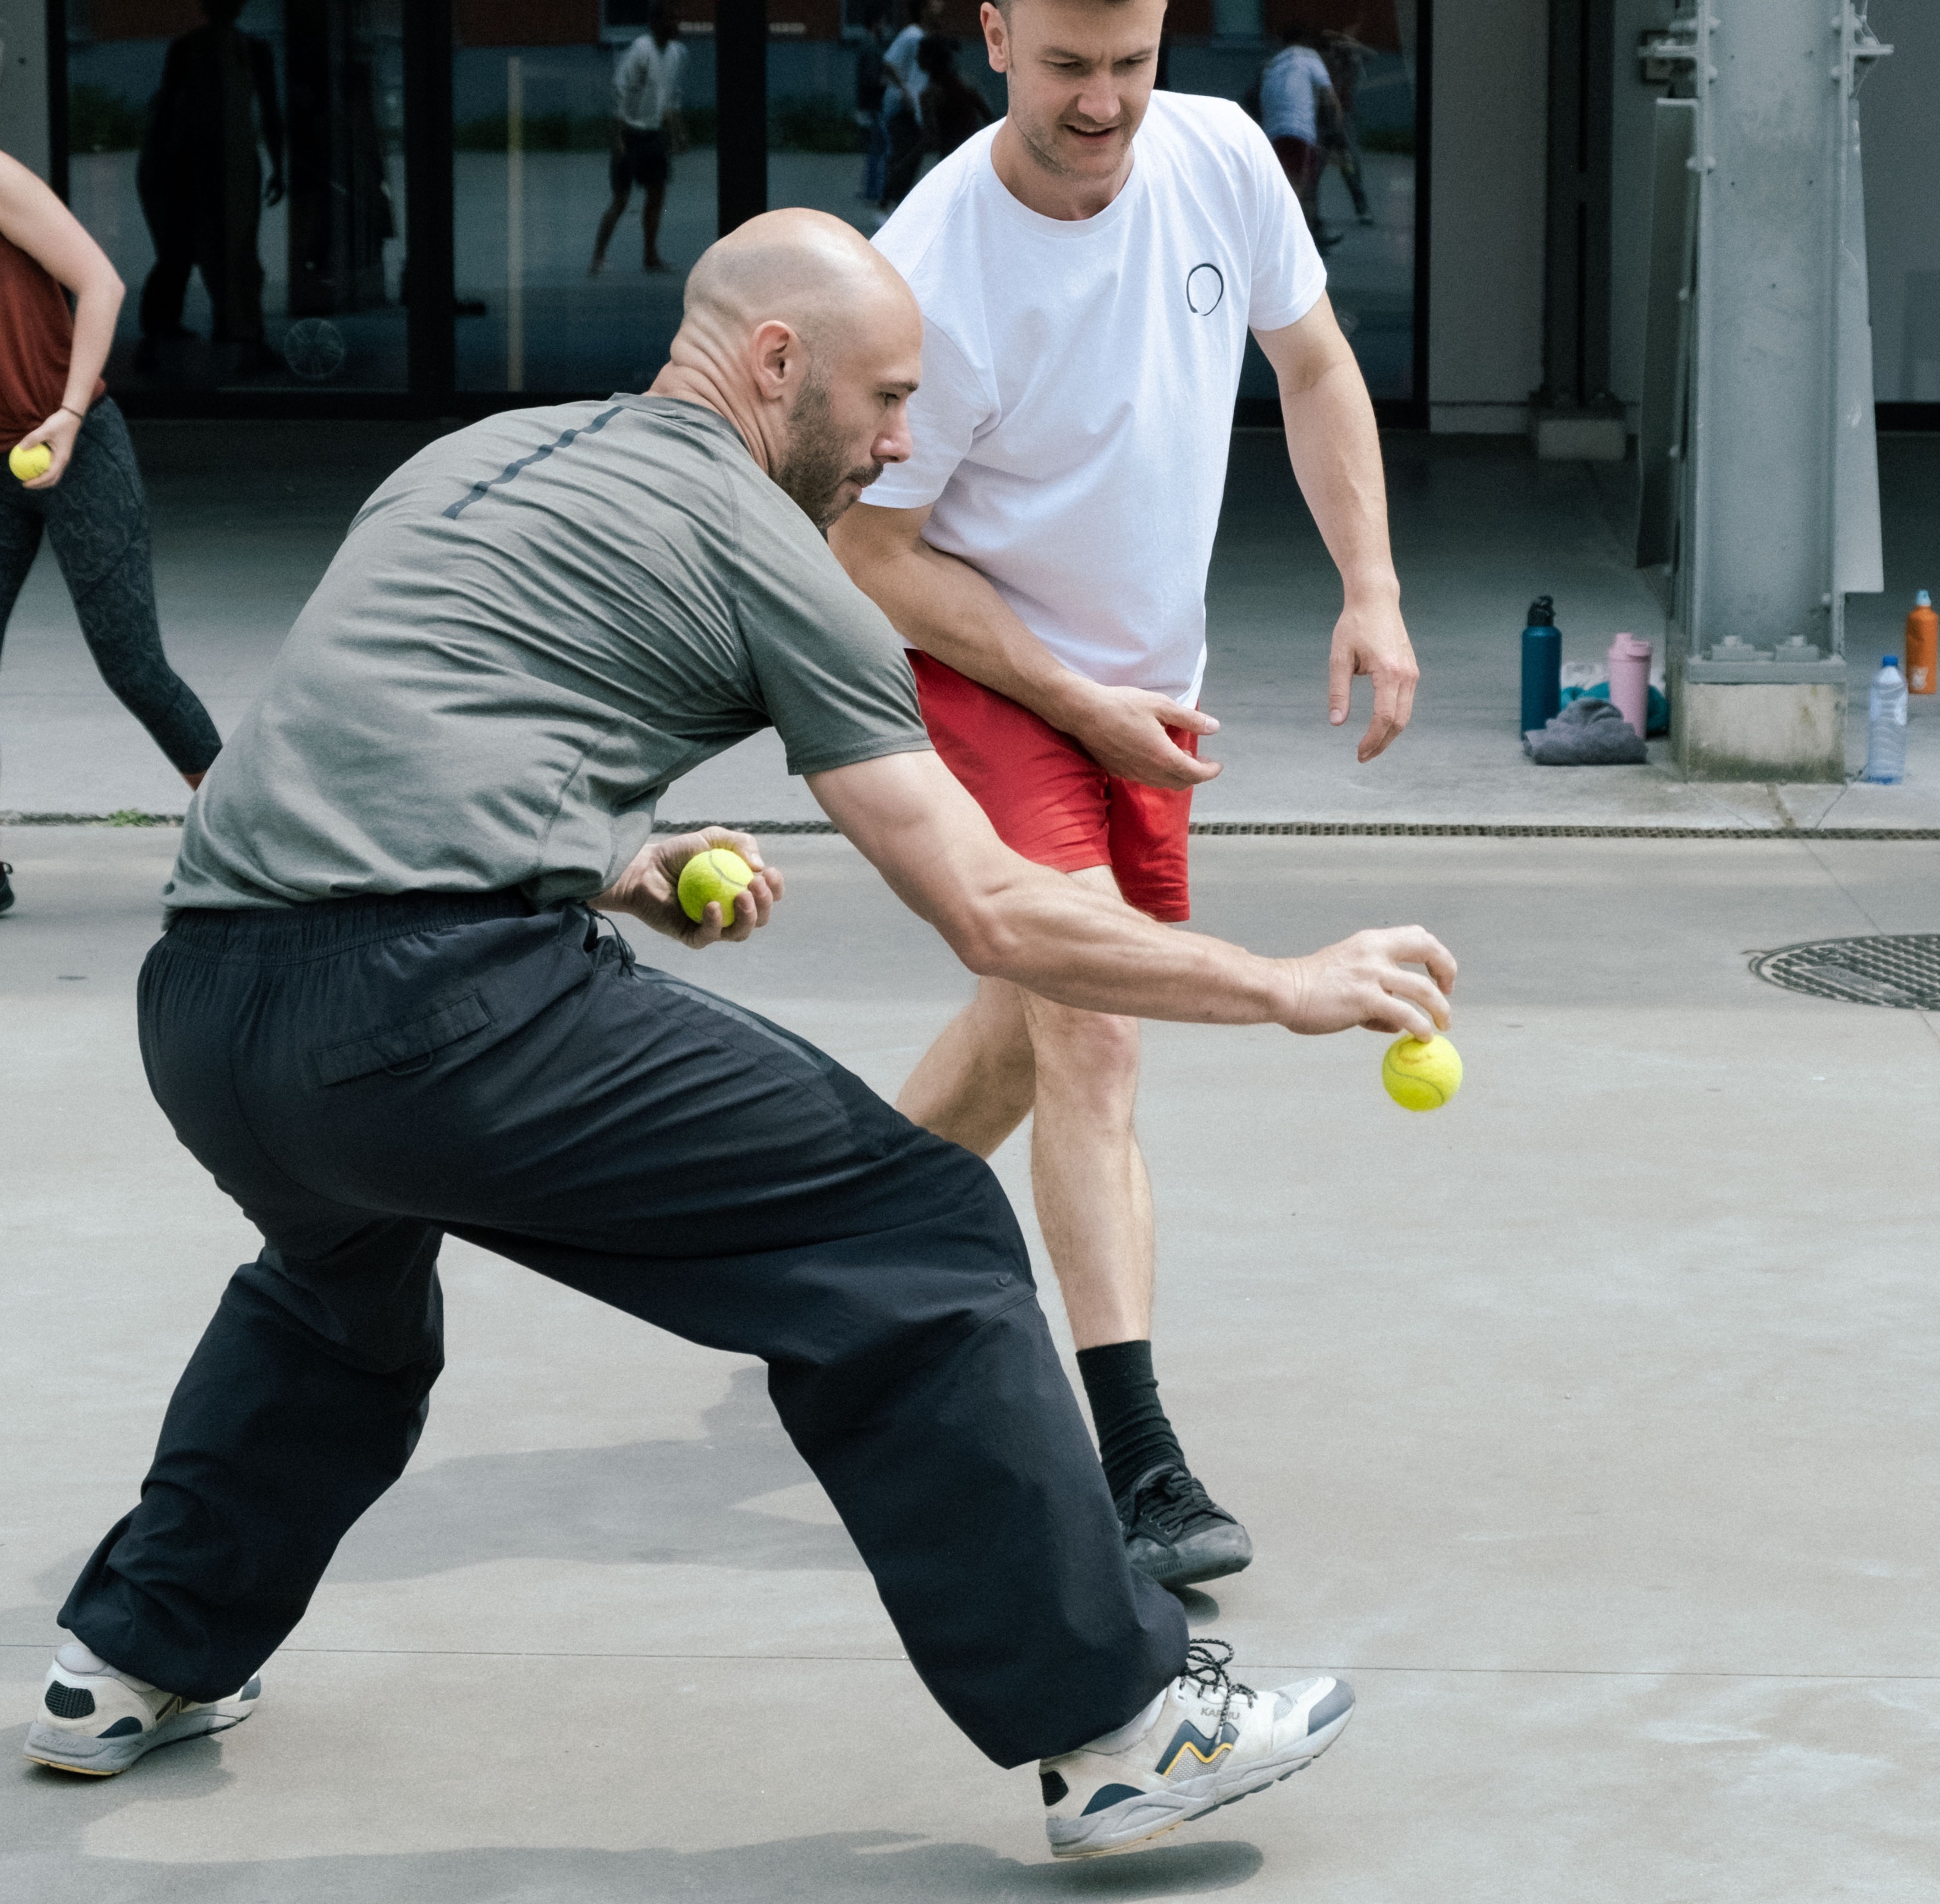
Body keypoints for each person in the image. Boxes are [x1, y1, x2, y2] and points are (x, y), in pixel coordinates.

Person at [20, 210, 1454, 1861]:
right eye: (889, 398)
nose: (902, 444)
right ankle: (1121, 1726)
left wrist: (617, 864)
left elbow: (395, 738)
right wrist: (1281, 980)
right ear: (776, 362)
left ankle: (129, 1656)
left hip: (207, 1005)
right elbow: (991, 907)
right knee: (913, 1233)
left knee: (339, 1304)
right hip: (434, 1010)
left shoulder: (466, 462)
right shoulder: (774, 555)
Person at [829, 0, 1418, 1591]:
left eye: (1131, 61)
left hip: (1150, 686)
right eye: (1065, 65)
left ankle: (819, 1240)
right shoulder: (933, 271)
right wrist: (1071, 701)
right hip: (988, 669)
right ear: (994, 36)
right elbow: (872, 550)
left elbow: (1312, 365)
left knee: (1027, 1026)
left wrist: (1368, 586)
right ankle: (1140, 1466)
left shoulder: (1219, 158)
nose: (1100, 103)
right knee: (1091, 1026)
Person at [0, 148, 221, 918]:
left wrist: (67, 412)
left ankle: (252, 840)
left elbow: (101, 282)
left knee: (133, 664)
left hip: (78, 440)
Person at [134, 0, 285, 375]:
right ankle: (219, 330)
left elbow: (267, 110)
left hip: (214, 162)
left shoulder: (237, 50)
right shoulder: (206, 49)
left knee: (218, 250)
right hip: (200, 162)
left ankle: (222, 329)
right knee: (202, 250)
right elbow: (173, 106)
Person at [590, 2, 687, 277]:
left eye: (677, 19)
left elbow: (670, 98)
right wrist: (617, 138)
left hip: (653, 134)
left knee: (656, 196)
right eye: (670, 19)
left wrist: (677, 134)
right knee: (621, 200)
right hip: (630, 135)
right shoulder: (641, 50)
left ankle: (651, 257)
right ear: (656, 23)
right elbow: (620, 90)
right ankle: (598, 258)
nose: (676, 25)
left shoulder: (676, 54)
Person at [884, 34, 993, 207]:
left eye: (920, 55)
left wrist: (904, 164)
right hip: (977, 158)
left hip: (952, 162)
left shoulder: (930, 95)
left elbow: (931, 139)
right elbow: (990, 118)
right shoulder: (966, 83)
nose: (916, 59)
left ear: (930, 60)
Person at [1260, 21, 1342, 249]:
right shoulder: (1309, 58)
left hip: (1273, 134)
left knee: (1286, 187)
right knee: (1301, 191)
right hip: (1300, 131)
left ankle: (1310, 236)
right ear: (1305, 41)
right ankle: (1296, 245)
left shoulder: (1273, 64)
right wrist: (1337, 129)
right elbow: (1330, 98)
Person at [879, 0, 945, 211]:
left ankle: (893, 201)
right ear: (924, 8)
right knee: (906, 155)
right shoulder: (912, 35)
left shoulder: (926, 35)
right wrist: (905, 91)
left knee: (912, 158)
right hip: (903, 107)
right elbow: (889, 63)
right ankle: (890, 202)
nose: (941, 5)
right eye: (936, 0)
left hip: (916, 107)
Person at [1318, 19, 1375, 227]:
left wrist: (1348, 42)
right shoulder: (1323, 60)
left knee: (1350, 164)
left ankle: (1362, 208)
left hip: (1345, 118)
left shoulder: (1351, 60)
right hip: (1324, 116)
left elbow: (1371, 55)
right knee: (1316, 165)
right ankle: (1310, 213)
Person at [854, 6, 893, 204]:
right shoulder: (871, 46)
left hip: (870, 104)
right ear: (876, 22)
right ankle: (874, 191)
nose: (885, 26)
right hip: (874, 105)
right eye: (883, 22)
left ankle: (871, 190)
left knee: (875, 148)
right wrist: (888, 81)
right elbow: (872, 79)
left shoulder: (869, 43)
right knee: (879, 148)